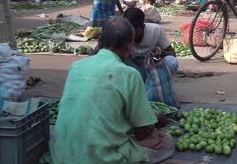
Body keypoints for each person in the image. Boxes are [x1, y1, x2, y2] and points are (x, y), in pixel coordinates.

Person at [50, 17, 174, 164]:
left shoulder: (75, 66)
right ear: (128, 47)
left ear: (100, 41)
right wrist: (156, 119)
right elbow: (142, 132)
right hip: (103, 159)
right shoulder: (130, 74)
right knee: (166, 141)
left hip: (62, 156)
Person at [123, 8, 178, 82]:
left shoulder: (156, 30)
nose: (130, 34)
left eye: (133, 30)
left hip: (150, 68)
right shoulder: (123, 33)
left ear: (141, 26)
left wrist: (160, 52)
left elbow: (172, 54)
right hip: (133, 68)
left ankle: (155, 82)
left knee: (172, 62)